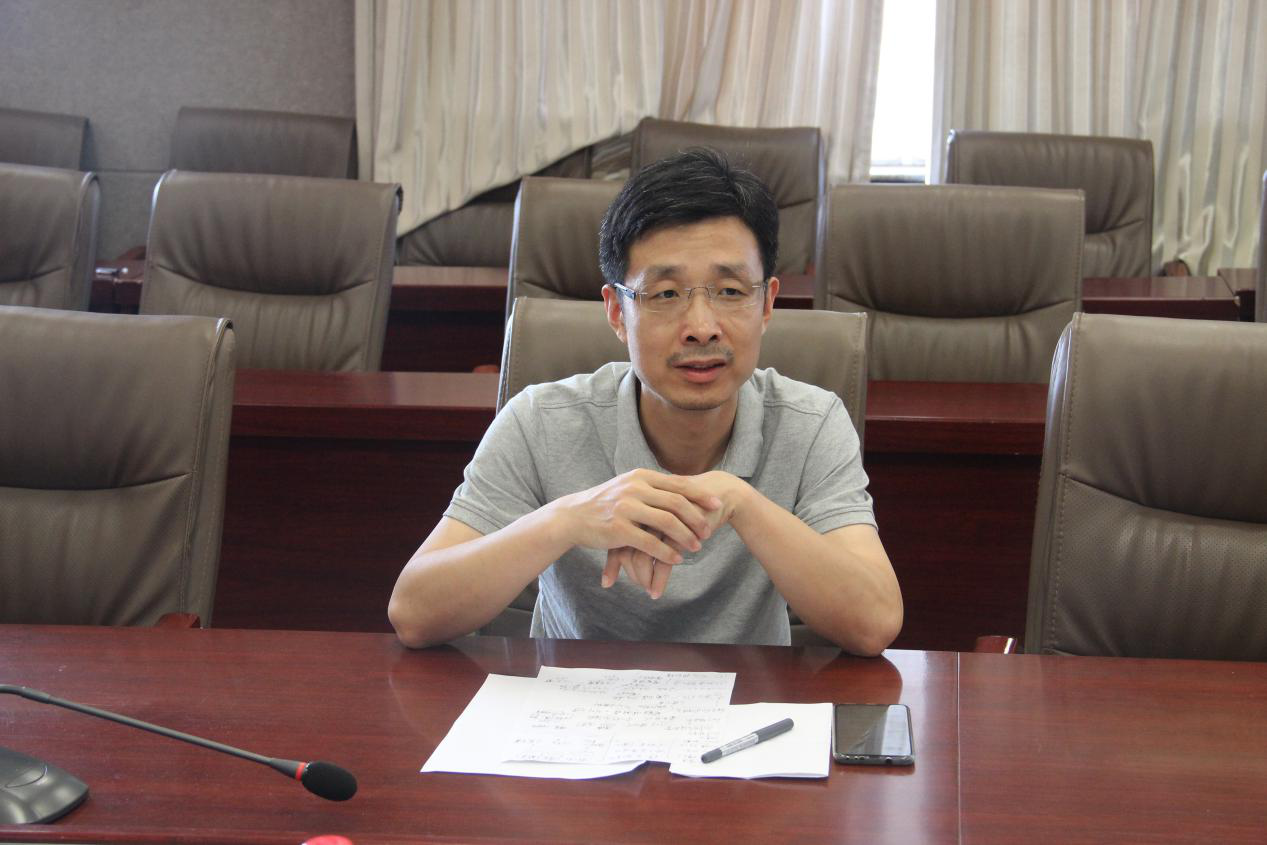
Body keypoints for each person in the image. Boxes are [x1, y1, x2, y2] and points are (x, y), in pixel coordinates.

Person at [389, 148, 902, 654]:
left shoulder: (811, 423)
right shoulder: (539, 420)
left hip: (749, 702)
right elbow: (413, 612)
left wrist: (742, 503)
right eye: (666, 294)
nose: (701, 327)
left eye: (729, 291)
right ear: (616, 311)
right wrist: (566, 520)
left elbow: (875, 622)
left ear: (767, 303)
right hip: (570, 700)